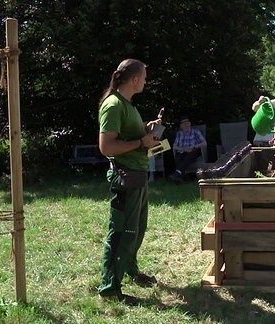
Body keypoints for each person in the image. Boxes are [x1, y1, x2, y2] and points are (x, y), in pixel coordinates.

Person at [97, 58, 160, 305]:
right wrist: (141, 143)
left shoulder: (129, 105)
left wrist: (146, 129)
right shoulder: (113, 105)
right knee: (122, 231)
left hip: (138, 176)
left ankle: (130, 270)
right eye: (144, 76)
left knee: (137, 228)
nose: (145, 81)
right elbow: (106, 146)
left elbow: (129, 133)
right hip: (125, 177)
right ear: (134, 79)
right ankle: (109, 288)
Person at [169, 116, 207, 182]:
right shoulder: (179, 134)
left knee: (190, 154)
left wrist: (193, 147)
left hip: (193, 151)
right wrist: (184, 149)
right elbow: (174, 146)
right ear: (181, 126)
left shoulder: (195, 132)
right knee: (178, 155)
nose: (185, 125)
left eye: (187, 123)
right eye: (183, 123)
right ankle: (179, 176)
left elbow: (204, 143)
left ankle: (177, 174)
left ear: (190, 123)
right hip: (182, 151)